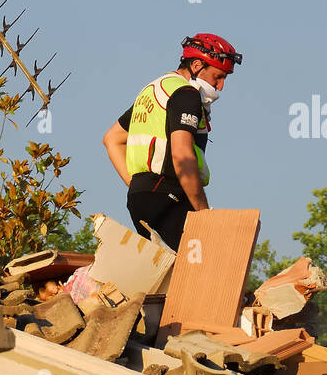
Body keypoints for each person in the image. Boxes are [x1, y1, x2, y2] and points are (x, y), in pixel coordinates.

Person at [102, 33, 241, 250]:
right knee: (212, 258)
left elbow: (112, 139)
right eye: (218, 76)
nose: (221, 86)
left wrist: (138, 186)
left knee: (171, 267)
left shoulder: (156, 89)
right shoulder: (187, 94)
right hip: (169, 196)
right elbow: (182, 154)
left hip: (142, 197)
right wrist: (204, 214)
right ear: (197, 65)